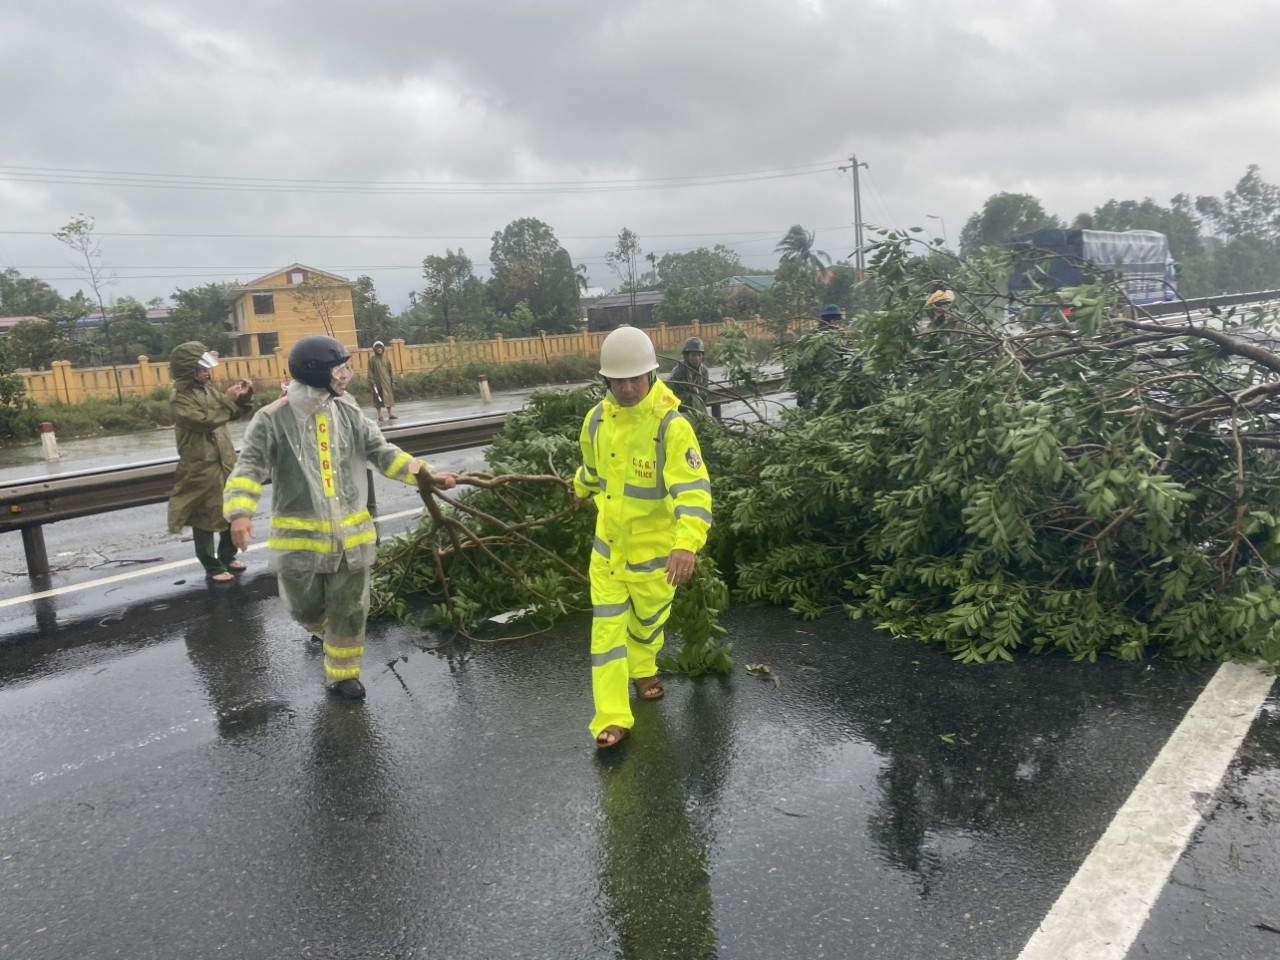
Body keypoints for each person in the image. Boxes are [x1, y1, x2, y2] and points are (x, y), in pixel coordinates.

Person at [223, 335, 457, 700]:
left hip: (352, 539)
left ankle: (343, 677)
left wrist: (423, 472)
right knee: (304, 607)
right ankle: (325, 633)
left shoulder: (349, 411)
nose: (346, 374)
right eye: (339, 368)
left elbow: (382, 451)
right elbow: (248, 467)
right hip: (300, 544)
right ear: (317, 373)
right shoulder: (272, 419)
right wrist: (240, 513)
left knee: (350, 609)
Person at [573, 326, 713, 749]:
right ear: (606, 380)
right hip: (609, 556)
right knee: (607, 635)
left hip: (656, 559)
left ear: (652, 375)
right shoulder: (596, 420)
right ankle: (612, 718)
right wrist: (579, 487)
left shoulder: (671, 427)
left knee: (649, 623)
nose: (628, 387)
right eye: (619, 379)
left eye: (636, 378)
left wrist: (686, 543)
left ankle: (644, 666)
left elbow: (692, 492)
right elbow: (594, 471)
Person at [167, 342, 253, 582]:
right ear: (188, 370)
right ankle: (211, 566)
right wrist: (226, 400)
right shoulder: (179, 398)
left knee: (229, 510)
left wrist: (242, 398)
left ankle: (228, 556)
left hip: (224, 461)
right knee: (203, 516)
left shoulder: (208, 390)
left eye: (207, 368)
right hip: (200, 466)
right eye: (202, 369)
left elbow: (229, 413)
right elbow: (205, 420)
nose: (207, 373)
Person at [665, 336, 711, 414]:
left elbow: (704, 394)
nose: (697, 358)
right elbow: (669, 393)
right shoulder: (678, 371)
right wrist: (691, 397)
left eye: (699, 355)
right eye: (693, 355)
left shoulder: (704, 371)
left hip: (699, 411)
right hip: (681, 410)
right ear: (686, 356)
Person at [367, 340, 398, 421]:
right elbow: (370, 372)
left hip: (387, 383)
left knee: (389, 398)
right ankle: (380, 416)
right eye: (377, 348)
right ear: (375, 350)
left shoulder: (386, 360)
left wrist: (393, 381)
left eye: (380, 348)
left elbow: (391, 371)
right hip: (377, 383)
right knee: (378, 399)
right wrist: (372, 383)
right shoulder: (371, 360)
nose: (379, 349)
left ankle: (390, 414)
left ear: (383, 349)